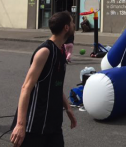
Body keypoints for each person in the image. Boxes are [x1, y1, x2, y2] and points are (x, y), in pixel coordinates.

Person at [10, 11, 77, 147]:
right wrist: (20, 125)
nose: (74, 25)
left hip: (53, 124)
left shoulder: (61, 51)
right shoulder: (45, 51)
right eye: (72, 22)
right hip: (35, 125)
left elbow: (55, 85)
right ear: (66, 28)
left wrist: (68, 108)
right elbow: (26, 87)